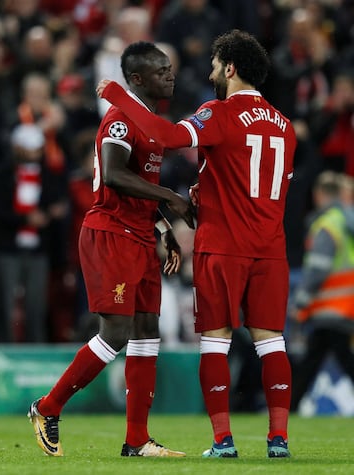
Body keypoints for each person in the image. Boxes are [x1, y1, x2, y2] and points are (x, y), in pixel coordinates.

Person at [97, 28, 297, 458]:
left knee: (215, 343)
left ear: (230, 67)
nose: (210, 74)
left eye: (213, 66)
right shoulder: (286, 127)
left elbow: (167, 138)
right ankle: (278, 440)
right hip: (272, 248)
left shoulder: (219, 113)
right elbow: (264, 185)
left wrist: (118, 95)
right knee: (271, 342)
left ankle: (223, 442)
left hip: (223, 246)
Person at [28, 41, 194, 457]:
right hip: (111, 233)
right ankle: (48, 407)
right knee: (116, 332)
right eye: (161, 71)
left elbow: (137, 188)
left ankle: (137, 439)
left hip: (139, 234)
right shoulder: (120, 120)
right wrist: (170, 196)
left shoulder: (152, 123)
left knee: (146, 334)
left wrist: (161, 224)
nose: (170, 76)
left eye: (170, 69)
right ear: (136, 79)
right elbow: (116, 175)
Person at [0, 123, 68, 342]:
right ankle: (4, 350)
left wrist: (53, 212)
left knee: (37, 304)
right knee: (5, 305)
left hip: (38, 250)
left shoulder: (48, 175)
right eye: (30, 148)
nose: (35, 154)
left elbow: (57, 201)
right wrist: (25, 219)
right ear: (17, 148)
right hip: (8, 249)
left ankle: (36, 349)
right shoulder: (2, 174)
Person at [290, 171, 354, 412]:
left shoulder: (327, 224)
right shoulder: (345, 221)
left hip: (330, 305)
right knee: (318, 357)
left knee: (325, 358)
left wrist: (301, 302)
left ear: (319, 194)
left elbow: (318, 269)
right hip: (346, 303)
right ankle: (292, 405)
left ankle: (291, 406)